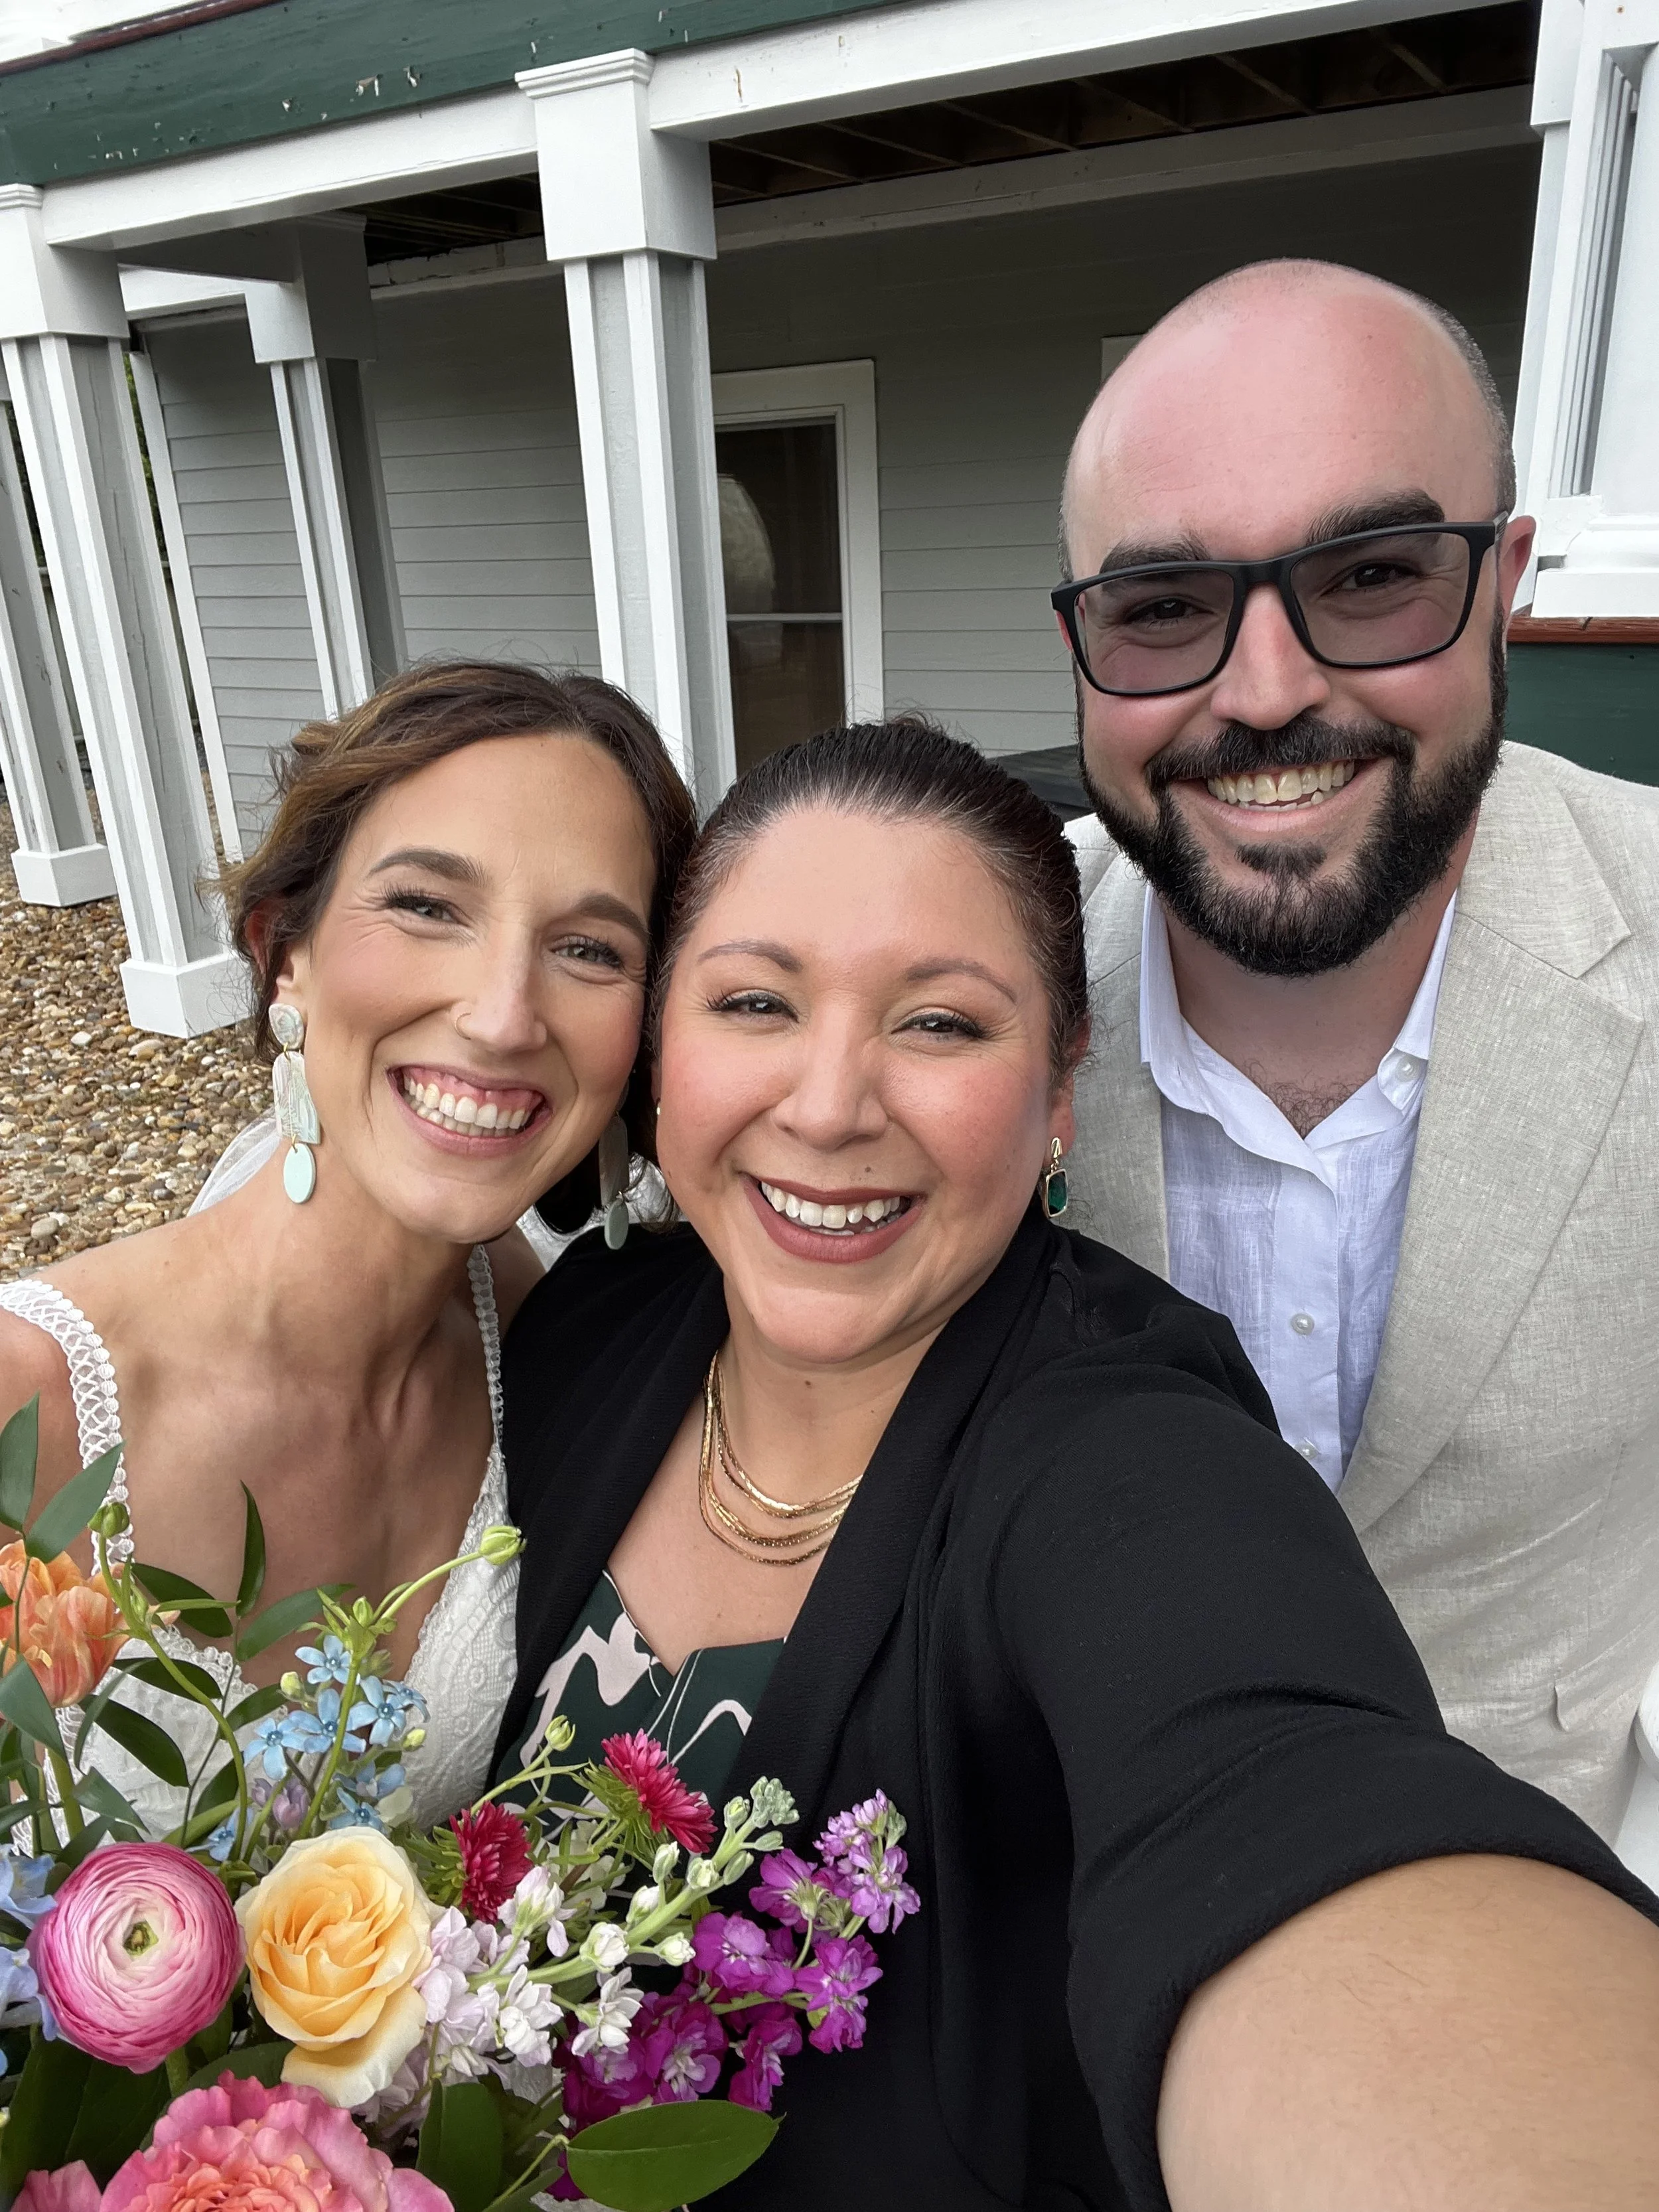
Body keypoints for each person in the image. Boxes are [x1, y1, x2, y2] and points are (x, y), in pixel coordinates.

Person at [497, 722, 1659, 2212]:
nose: (831, 1101)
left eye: (939, 1025)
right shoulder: (584, 1327)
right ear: (663, 1049)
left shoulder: (1122, 1449)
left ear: (1058, 1091)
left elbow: (1272, 1783)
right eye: (753, 1001)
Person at [1054, 258, 1659, 1842]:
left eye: (1371, 575)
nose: (1264, 694)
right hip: (1087, 1926)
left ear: (1505, 579)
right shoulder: (961, 983)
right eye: (1163, 606)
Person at [0, 659, 695, 1832]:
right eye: (428, 906)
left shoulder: (553, 1348)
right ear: (286, 953)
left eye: (589, 949)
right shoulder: (31, 1405)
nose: (503, 1015)